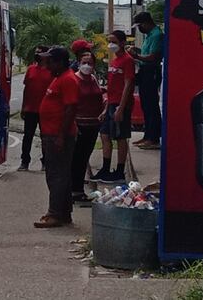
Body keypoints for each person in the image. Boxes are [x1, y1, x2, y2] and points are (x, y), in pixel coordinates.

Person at [34, 46, 78, 228]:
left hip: (58, 135)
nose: (47, 64)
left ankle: (55, 214)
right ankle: (64, 212)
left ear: (59, 62)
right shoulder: (59, 78)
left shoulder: (67, 79)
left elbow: (70, 108)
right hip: (51, 133)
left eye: (50, 60)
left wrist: (61, 135)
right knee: (60, 174)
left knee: (56, 175)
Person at [95, 29, 136, 181]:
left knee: (120, 137)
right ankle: (105, 169)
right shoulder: (114, 61)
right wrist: (106, 108)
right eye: (110, 41)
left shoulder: (127, 60)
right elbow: (112, 87)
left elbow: (128, 84)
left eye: (114, 42)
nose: (111, 45)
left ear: (123, 43)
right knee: (105, 135)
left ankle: (119, 172)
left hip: (120, 105)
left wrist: (121, 107)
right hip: (111, 104)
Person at [70, 49, 105, 202]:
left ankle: (78, 190)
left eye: (90, 63)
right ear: (78, 63)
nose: (87, 66)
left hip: (93, 125)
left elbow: (101, 95)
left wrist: (105, 105)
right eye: (84, 63)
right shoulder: (74, 80)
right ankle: (73, 190)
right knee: (75, 158)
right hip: (79, 125)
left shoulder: (93, 79)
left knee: (84, 158)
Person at [128, 11, 164, 149]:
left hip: (151, 71)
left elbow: (153, 57)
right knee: (146, 105)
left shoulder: (157, 35)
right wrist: (136, 51)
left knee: (151, 105)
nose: (139, 28)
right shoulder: (149, 36)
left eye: (139, 25)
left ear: (146, 23)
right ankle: (147, 135)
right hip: (144, 71)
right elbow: (146, 53)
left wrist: (136, 56)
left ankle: (154, 138)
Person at [19, 46, 53, 171]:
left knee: (45, 137)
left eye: (40, 53)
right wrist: (23, 107)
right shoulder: (31, 69)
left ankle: (45, 162)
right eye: (36, 53)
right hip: (30, 109)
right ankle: (24, 161)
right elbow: (26, 89)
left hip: (45, 110)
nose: (37, 55)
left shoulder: (52, 71)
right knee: (27, 136)